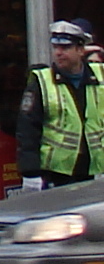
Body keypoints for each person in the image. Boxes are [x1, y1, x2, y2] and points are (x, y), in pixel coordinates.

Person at [18, 18, 104, 191]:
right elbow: (28, 130)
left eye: (65, 48)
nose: (58, 53)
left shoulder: (100, 75)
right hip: (55, 173)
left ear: (81, 50)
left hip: (94, 170)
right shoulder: (41, 80)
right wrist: (30, 173)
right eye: (55, 48)